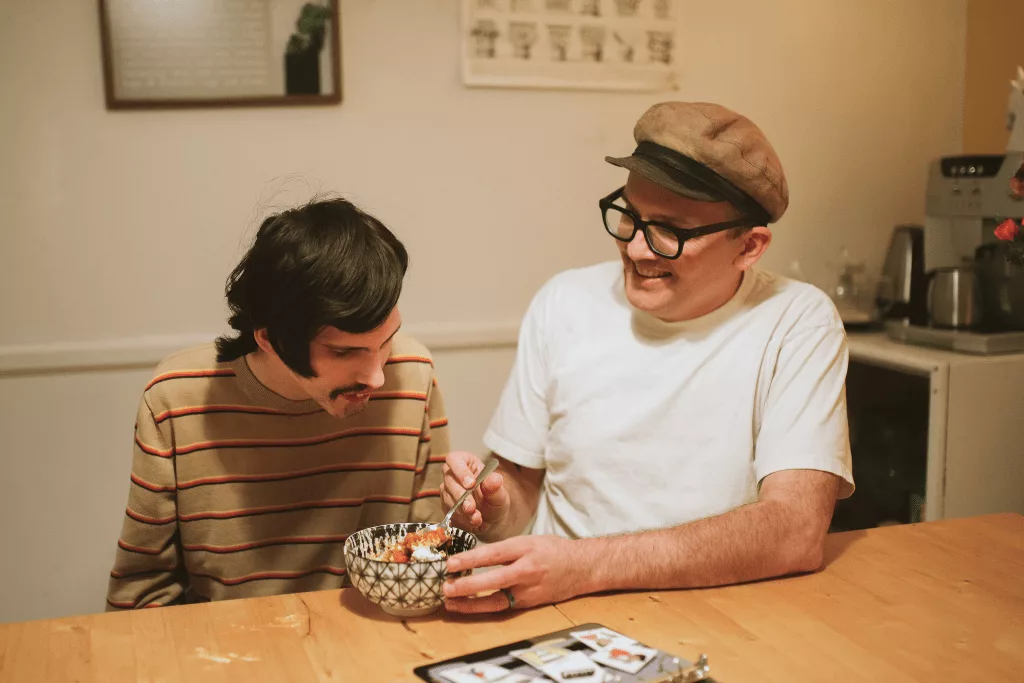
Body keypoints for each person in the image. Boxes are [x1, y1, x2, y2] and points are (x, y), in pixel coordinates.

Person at [440, 102, 854, 613]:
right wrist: (493, 508)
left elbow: (795, 531)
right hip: (559, 608)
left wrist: (586, 566)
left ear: (749, 246)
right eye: (630, 217)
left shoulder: (796, 321)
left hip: (721, 611)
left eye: (670, 232)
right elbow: (521, 489)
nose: (637, 250)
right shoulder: (564, 301)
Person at [106, 197, 448, 609]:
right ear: (269, 339)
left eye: (387, 341)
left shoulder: (413, 375)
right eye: (344, 353)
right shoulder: (177, 398)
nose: (377, 375)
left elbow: (429, 554)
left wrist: (473, 515)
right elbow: (143, 594)